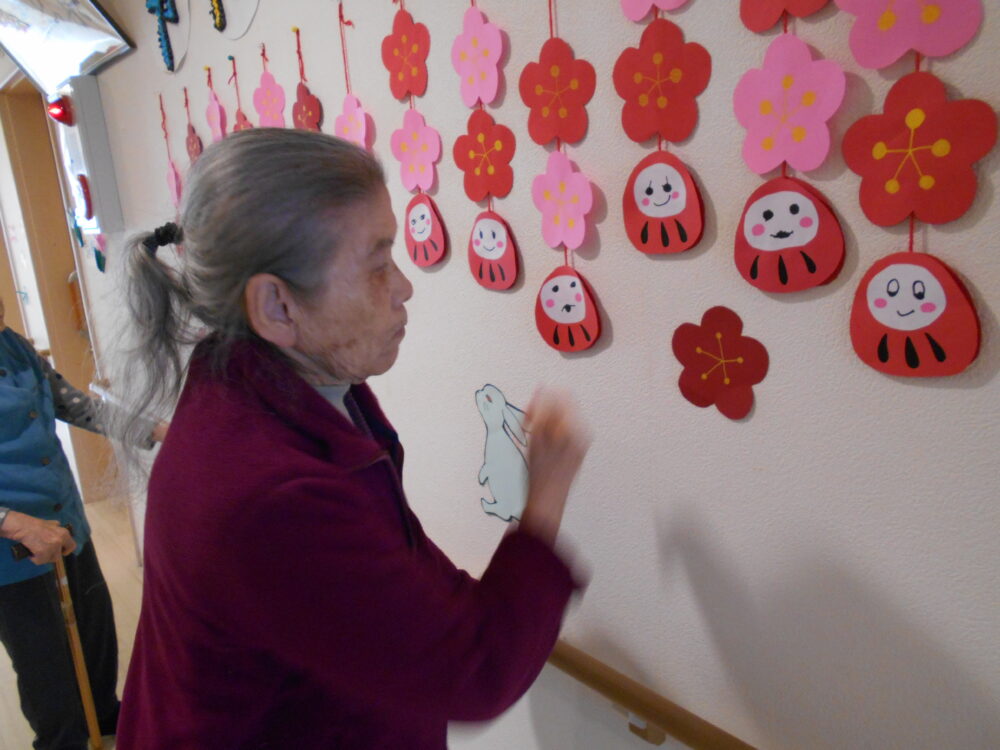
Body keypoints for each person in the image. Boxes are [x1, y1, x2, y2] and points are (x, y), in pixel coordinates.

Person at [114, 128, 590, 749]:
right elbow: (477, 672)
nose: (404, 287)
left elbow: (398, 574)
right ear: (277, 307)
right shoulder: (271, 498)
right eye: (377, 265)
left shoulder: (278, 386)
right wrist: (546, 495)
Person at [0, 294, 165, 750]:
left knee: (95, 635)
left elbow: (73, 403)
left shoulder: (13, 344)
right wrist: (13, 522)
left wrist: (158, 429)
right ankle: (62, 741)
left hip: (66, 519)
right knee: (44, 662)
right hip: (11, 551)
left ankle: (105, 716)